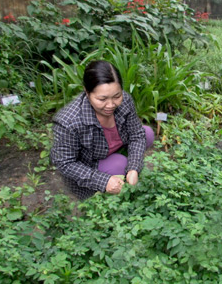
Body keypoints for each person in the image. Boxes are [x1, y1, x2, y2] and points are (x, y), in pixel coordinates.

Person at [50, 60, 154, 200]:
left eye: (117, 96)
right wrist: (103, 181)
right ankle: (110, 175)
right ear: (87, 92)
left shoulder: (126, 101)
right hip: (90, 159)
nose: (111, 105)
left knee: (147, 133)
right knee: (119, 165)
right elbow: (65, 163)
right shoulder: (68, 121)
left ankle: (125, 165)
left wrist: (134, 167)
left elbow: (136, 134)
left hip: (114, 145)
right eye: (102, 99)